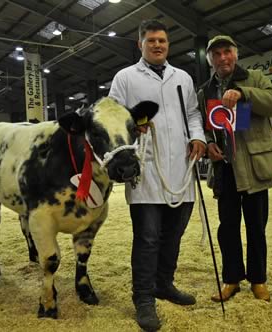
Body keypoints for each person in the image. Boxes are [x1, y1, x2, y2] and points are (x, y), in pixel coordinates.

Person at [108, 20, 206, 331]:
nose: (158, 45)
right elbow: (111, 117)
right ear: (140, 44)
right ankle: (144, 298)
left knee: (173, 234)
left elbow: (192, 113)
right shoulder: (125, 78)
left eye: (162, 40)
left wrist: (198, 137)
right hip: (147, 168)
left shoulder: (183, 78)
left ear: (168, 44)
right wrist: (131, 125)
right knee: (148, 238)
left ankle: (165, 283)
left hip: (181, 168)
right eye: (151, 41)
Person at [197, 35, 272, 303]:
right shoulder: (205, 91)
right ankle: (232, 279)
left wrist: (245, 93)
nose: (223, 58)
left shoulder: (255, 78)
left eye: (227, 52)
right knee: (228, 228)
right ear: (210, 59)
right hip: (224, 169)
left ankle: (258, 280)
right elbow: (203, 126)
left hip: (254, 166)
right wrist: (209, 144)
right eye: (217, 54)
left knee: (257, 226)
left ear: (236, 54)